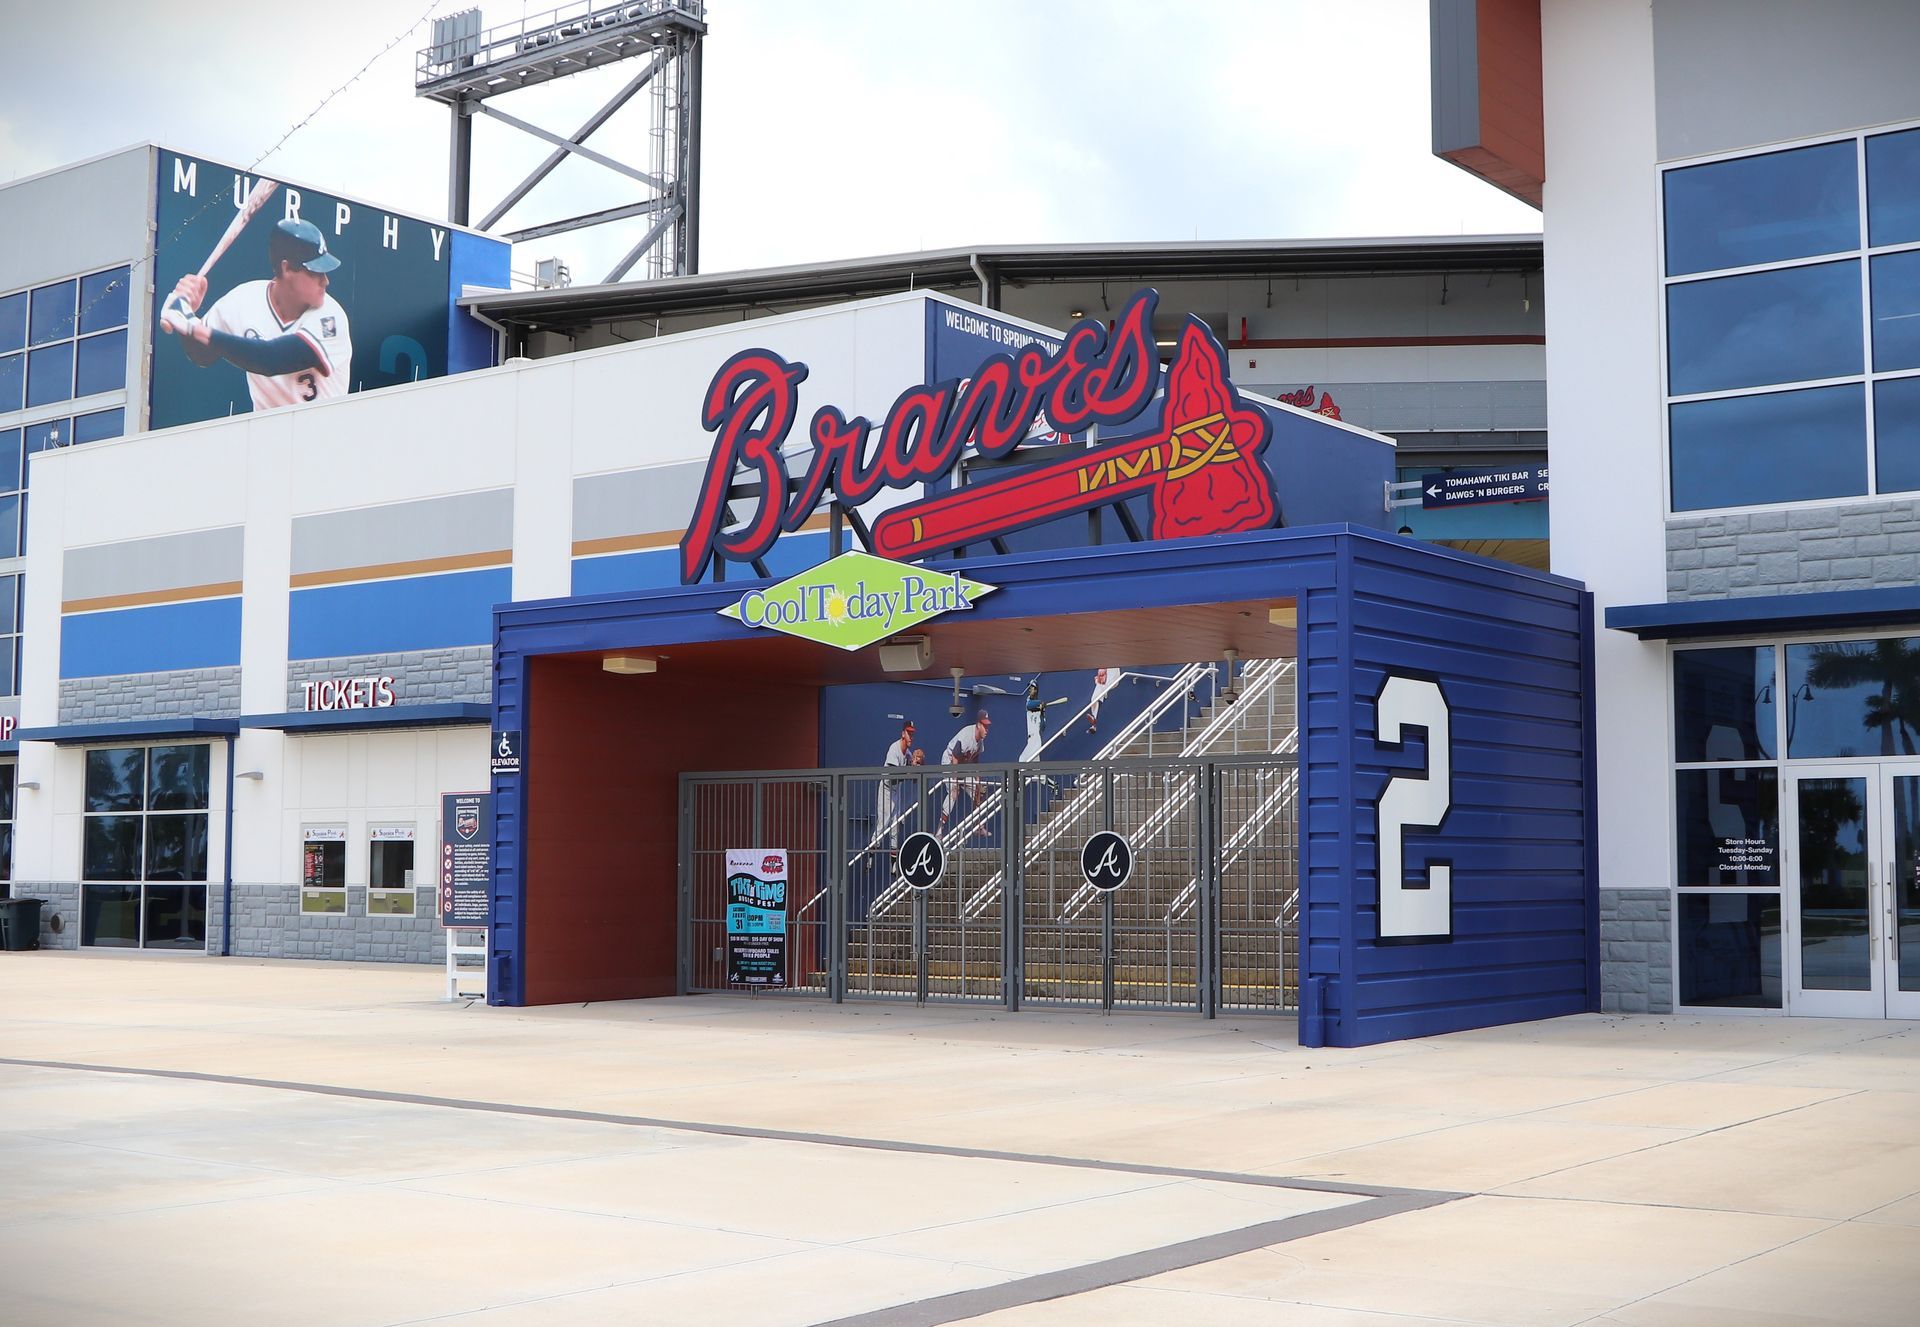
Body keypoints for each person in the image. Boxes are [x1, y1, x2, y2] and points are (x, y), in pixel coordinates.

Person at [160, 218, 354, 412]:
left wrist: (191, 325)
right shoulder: (243, 299)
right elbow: (202, 355)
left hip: (324, 428)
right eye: (315, 272)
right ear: (287, 269)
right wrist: (185, 317)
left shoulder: (330, 317)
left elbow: (271, 358)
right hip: (267, 428)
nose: (325, 281)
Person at [939, 709, 992, 833]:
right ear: (978, 725)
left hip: (962, 765)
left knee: (978, 792)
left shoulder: (980, 742)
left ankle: (978, 825)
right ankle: (939, 830)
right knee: (954, 792)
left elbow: (975, 761)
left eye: (987, 726)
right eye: (984, 726)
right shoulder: (966, 736)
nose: (987, 729)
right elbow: (955, 757)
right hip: (949, 763)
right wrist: (955, 781)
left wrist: (978, 782)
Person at [880, 719, 916, 847]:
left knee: (895, 826)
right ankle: (870, 856)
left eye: (912, 733)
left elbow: (915, 780)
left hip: (896, 790)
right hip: (886, 789)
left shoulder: (908, 754)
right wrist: (908, 772)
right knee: (882, 825)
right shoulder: (894, 749)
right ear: (903, 734)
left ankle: (893, 860)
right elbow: (893, 777)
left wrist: (917, 765)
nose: (910, 736)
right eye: (908, 733)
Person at [1088, 666, 1122, 734]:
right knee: (1094, 698)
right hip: (1105, 677)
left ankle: (1094, 720)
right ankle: (1094, 720)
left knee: (1100, 690)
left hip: (1112, 675)